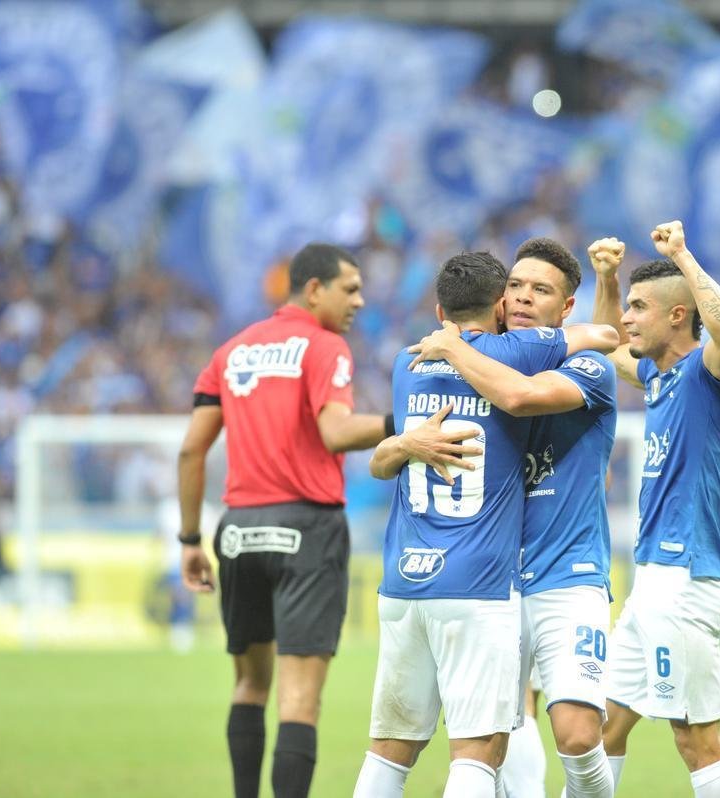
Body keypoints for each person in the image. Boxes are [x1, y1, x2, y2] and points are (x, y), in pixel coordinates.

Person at [177, 243, 476, 798]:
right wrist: (400, 421)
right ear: (314, 290)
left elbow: (192, 449)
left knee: (248, 684)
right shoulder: (324, 346)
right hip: (306, 530)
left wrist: (191, 538)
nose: (360, 301)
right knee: (300, 697)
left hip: (238, 529)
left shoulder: (231, 351)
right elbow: (335, 433)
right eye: (350, 288)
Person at [353, 251, 618, 798]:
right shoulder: (501, 352)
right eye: (515, 285)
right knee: (490, 738)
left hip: (560, 570)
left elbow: (523, 393)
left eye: (539, 290)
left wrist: (450, 343)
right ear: (499, 302)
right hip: (492, 575)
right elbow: (385, 458)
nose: (523, 297)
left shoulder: (583, 367)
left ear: (567, 305)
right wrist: (401, 441)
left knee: (573, 733)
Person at [591, 222, 720, 797]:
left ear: (678, 316)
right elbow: (606, 344)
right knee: (602, 726)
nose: (626, 316)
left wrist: (681, 256)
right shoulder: (659, 376)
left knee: (694, 738)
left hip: (685, 580)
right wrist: (606, 278)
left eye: (638, 306)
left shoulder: (709, 377)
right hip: (652, 579)